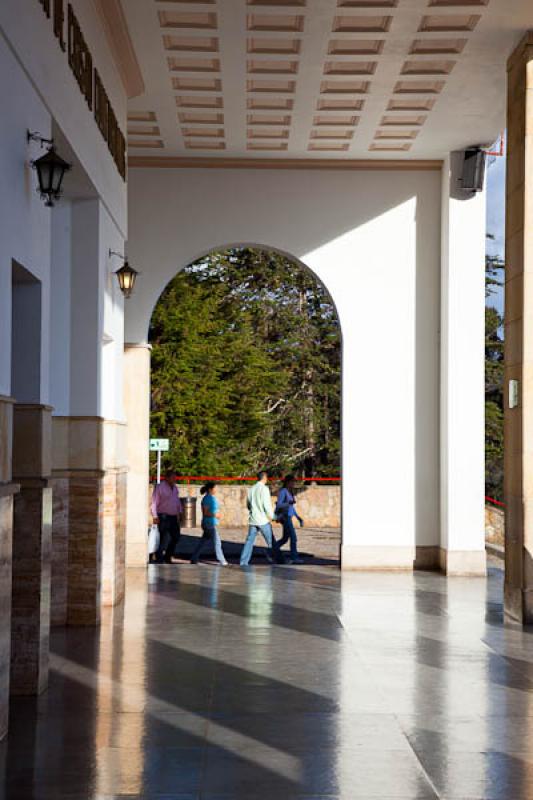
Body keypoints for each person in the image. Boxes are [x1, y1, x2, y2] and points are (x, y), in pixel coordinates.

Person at [240, 470, 276, 566]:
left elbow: (248, 504)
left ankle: (243, 562)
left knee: (249, 542)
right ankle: (279, 560)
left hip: (253, 520)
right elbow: (267, 505)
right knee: (271, 542)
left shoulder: (252, 489)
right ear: (264, 478)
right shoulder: (264, 489)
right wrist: (273, 516)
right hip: (263, 520)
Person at [190, 482, 228, 566]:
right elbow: (206, 512)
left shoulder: (211, 498)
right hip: (209, 524)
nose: (216, 490)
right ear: (210, 489)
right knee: (217, 542)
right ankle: (222, 561)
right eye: (215, 488)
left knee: (203, 542)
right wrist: (216, 515)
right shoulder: (207, 498)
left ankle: (194, 558)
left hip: (210, 523)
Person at [151, 469, 182, 563]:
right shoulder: (160, 487)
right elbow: (154, 502)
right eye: (173, 477)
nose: (175, 479)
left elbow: (177, 501)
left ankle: (168, 555)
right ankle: (159, 556)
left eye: (175, 477)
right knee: (164, 538)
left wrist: (180, 511)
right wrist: (155, 516)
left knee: (176, 537)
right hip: (163, 516)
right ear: (167, 478)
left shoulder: (175, 488)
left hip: (173, 517)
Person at [275, 475, 304, 564]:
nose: (294, 483)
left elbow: (291, 507)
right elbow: (279, 504)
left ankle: (270, 551)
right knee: (293, 538)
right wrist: (288, 503)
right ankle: (294, 557)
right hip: (285, 516)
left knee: (285, 538)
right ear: (288, 482)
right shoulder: (283, 491)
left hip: (289, 516)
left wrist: (298, 517)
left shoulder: (290, 492)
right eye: (292, 482)